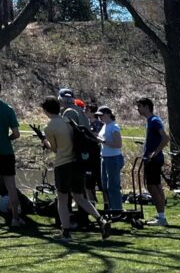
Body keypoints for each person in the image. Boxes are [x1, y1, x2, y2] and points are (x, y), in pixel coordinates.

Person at [41, 96, 109, 241]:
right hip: (77, 164)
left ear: (46, 110)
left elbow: (54, 149)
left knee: (63, 199)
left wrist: (44, 141)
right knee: (80, 197)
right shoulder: (68, 121)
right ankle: (100, 220)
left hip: (63, 165)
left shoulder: (49, 127)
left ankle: (65, 232)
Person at [0, 78, 25, 227]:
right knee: (10, 185)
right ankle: (15, 218)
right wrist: (7, 138)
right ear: (0, 89)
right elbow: (16, 134)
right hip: (5, 151)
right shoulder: (7, 108)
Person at [135, 96, 169, 226]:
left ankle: (161, 218)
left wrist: (156, 152)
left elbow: (165, 138)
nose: (138, 109)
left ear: (146, 107)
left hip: (153, 160)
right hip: (151, 159)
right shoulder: (150, 121)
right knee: (156, 186)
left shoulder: (154, 120)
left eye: (140, 106)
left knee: (152, 186)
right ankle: (162, 215)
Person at [96, 106, 124, 213]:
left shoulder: (114, 127)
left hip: (113, 159)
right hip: (105, 158)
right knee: (105, 186)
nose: (100, 117)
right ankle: (112, 209)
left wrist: (103, 141)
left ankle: (117, 210)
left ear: (108, 114)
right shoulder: (105, 126)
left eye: (101, 115)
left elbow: (118, 144)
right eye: (98, 116)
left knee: (113, 186)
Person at [83, 103, 103, 204]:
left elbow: (99, 138)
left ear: (93, 112)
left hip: (98, 155)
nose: (85, 111)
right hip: (87, 155)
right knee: (88, 181)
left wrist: (90, 134)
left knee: (100, 180)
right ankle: (92, 201)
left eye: (87, 110)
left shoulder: (100, 124)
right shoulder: (86, 123)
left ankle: (107, 205)